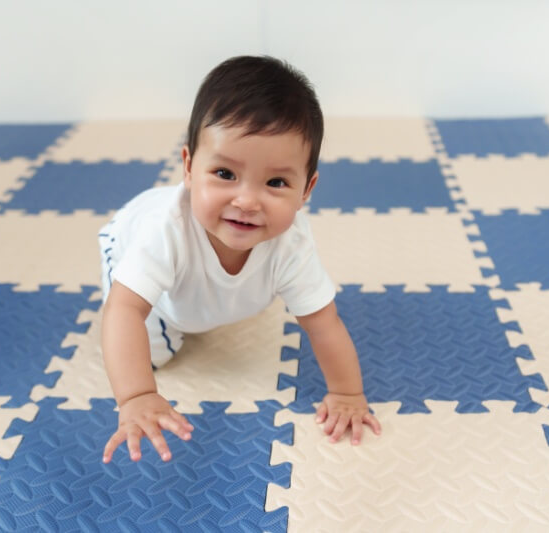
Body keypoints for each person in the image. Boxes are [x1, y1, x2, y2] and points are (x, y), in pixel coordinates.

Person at [99, 56, 381, 464]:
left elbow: (323, 324)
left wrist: (347, 393)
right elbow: (126, 308)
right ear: (190, 167)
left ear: (306, 189)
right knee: (152, 351)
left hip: (192, 285)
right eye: (225, 174)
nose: (247, 201)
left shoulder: (292, 244)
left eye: (276, 182)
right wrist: (137, 396)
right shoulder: (164, 232)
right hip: (124, 243)